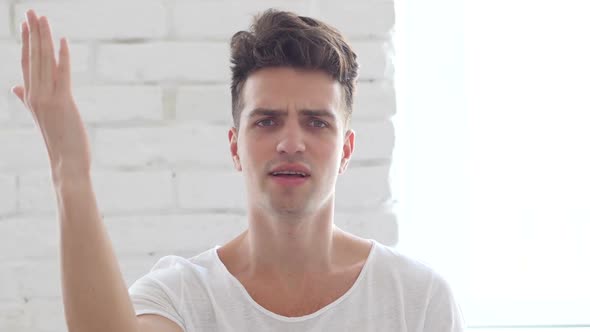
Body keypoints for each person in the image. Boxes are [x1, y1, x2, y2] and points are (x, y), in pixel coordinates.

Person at [11, 7, 464, 332]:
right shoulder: (183, 295)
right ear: (235, 146)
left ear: (346, 150)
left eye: (316, 122)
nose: (290, 142)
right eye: (267, 121)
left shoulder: (417, 299)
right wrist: (69, 171)